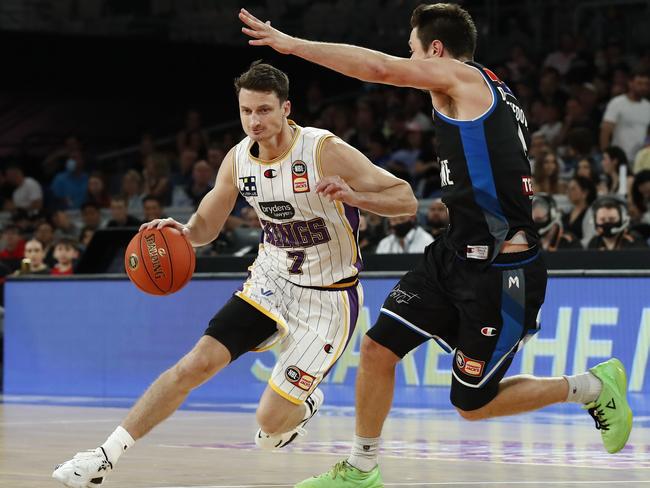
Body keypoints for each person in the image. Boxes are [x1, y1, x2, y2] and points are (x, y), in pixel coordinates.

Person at [239, 5, 633, 486]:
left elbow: (380, 68)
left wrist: (292, 45)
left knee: (471, 404)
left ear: (437, 52)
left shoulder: (462, 79)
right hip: (452, 255)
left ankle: (591, 386)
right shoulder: (488, 92)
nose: (408, 59)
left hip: (502, 273)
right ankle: (362, 468)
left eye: (413, 51)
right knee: (379, 347)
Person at [52, 61, 417, 488]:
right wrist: (184, 232)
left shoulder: (323, 150)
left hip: (329, 297)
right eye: (246, 111)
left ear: (286, 108)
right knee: (195, 364)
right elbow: (206, 226)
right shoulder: (238, 159)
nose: (254, 121)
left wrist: (354, 196)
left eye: (263, 110)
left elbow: (405, 199)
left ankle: (304, 404)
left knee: (268, 428)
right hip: (272, 280)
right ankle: (103, 456)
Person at [600, 68, 650, 161]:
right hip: (619, 158)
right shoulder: (617, 103)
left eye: (646, 84)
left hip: (640, 159)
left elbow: (648, 133)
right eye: (639, 83)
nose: (643, 87)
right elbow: (605, 130)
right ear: (630, 83)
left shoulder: (648, 106)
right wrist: (606, 155)